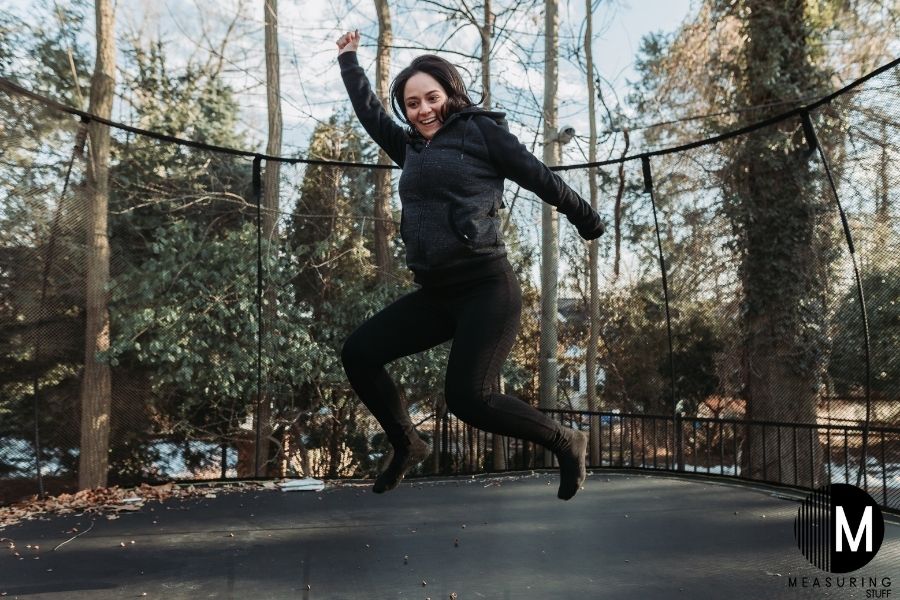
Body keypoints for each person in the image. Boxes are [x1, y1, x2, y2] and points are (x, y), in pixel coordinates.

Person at [335, 30, 603, 500]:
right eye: (412, 103)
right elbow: (371, 115)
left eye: (431, 98)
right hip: (437, 293)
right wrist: (349, 62)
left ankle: (567, 440)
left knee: (468, 398)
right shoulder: (412, 149)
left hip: (486, 288)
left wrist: (586, 217)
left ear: (450, 94)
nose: (422, 110)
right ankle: (407, 442)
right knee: (358, 353)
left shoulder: (482, 134)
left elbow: (540, 177)